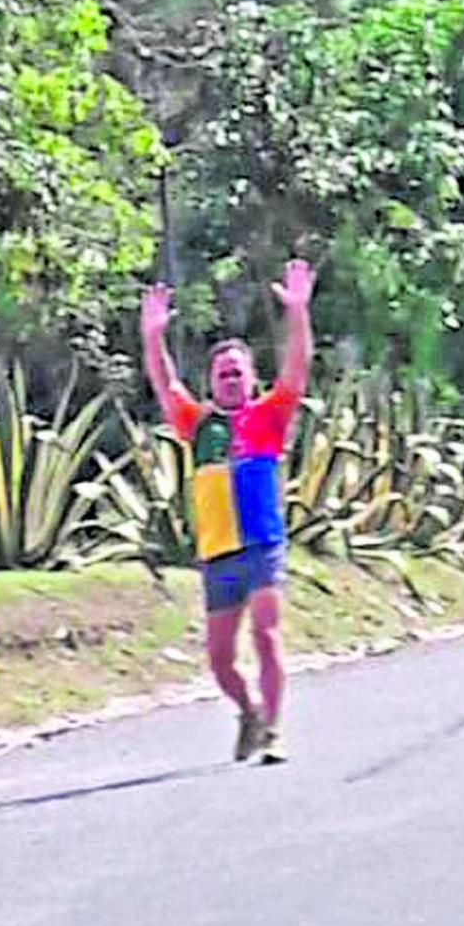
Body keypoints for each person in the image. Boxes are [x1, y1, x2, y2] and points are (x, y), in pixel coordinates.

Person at [140, 260, 315, 764]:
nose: (232, 379)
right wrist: (154, 336)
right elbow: (163, 382)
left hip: (262, 545)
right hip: (219, 554)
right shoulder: (199, 426)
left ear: (252, 377)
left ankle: (274, 731)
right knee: (219, 662)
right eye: (223, 373)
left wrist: (298, 311)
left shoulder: (270, 415)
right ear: (212, 382)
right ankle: (249, 711)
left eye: (239, 371)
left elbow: (298, 366)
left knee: (265, 631)